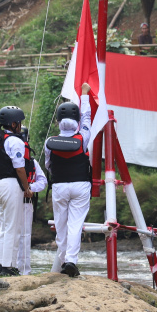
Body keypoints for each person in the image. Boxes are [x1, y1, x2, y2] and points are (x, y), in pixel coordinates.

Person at [45, 83, 92, 278]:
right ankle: (71, 261)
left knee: (61, 225)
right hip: (81, 185)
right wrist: (84, 95)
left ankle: (63, 260)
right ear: (76, 120)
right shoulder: (83, 137)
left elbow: (49, 165)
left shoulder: (50, 142)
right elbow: (87, 118)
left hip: (59, 186)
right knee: (75, 224)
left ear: (58, 121)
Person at [0, 105, 34, 276]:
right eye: (19, 122)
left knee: (5, 227)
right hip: (11, 185)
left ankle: (1, 264)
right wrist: (27, 188)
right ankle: (8, 266)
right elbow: (20, 168)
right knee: (13, 228)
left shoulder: (0, 138)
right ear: (13, 124)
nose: (20, 125)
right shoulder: (14, 141)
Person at [16, 155, 48, 276]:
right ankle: (8, 266)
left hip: (26, 203)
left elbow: (43, 181)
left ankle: (24, 270)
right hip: (10, 200)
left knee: (25, 235)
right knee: (9, 233)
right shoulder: (6, 159)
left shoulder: (31, 161)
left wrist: (30, 188)